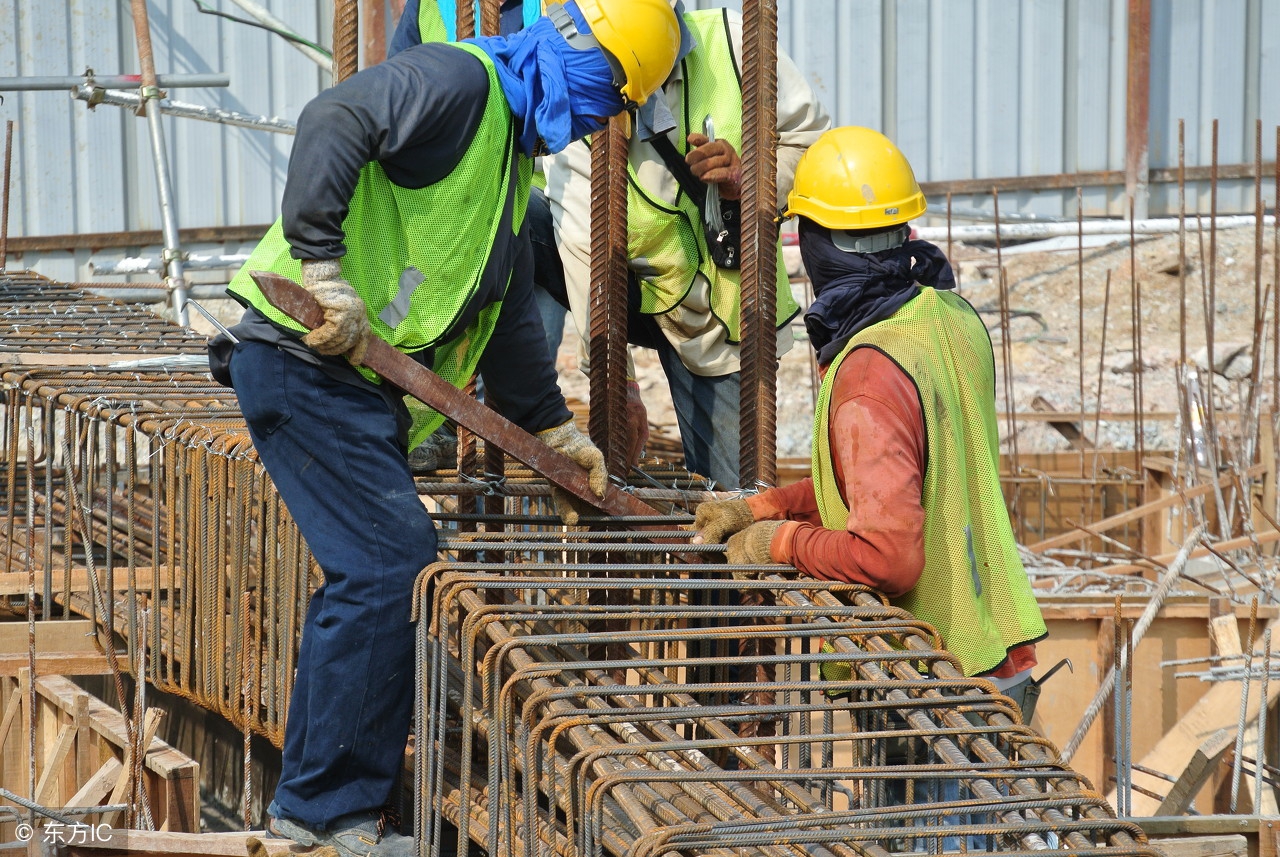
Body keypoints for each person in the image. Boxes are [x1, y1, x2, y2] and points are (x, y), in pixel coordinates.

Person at [207, 4, 680, 855]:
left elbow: (498, 314)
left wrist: (550, 427)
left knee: (370, 571)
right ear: (568, 47)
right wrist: (322, 265)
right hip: (302, 354)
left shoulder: (507, 164)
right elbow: (334, 116)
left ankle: (323, 807)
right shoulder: (461, 82)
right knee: (391, 563)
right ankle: (323, 816)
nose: (601, 116)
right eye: (605, 89)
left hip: (351, 387)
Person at [692, 126, 1047, 707]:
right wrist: (762, 507)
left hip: (934, 687)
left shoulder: (866, 374)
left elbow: (888, 557)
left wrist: (778, 543)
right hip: (1001, 652)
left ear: (815, 244)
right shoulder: (950, 316)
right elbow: (899, 479)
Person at [532, 2, 831, 487]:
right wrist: (617, 383)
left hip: (725, 313)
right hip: (631, 288)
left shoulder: (736, 40)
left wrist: (751, 178)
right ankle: (504, 404)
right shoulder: (581, 80)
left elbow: (815, 147)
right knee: (522, 221)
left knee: (734, 502)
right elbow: (581, 247)